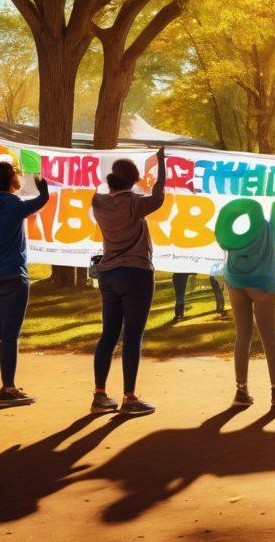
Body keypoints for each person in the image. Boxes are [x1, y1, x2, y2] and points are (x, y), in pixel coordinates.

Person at [90, 148, 165, 416]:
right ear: (134, 180)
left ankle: (99, 395)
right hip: (136, 273)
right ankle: (129, 397)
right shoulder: (135, 203)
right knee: (132, 335)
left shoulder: (98, 202)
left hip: (108, 273)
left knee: (109, 334)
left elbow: (102, 189)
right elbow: (159, 195)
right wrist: (162, 163)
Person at [0, 161, 50, 406]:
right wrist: (42, 184)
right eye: (16, 173)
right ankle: (8, 388)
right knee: (9, 335)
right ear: (9, 177)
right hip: (12, 276)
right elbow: (41, 200)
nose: (18, 177)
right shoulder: (13, 204)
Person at [221, 205, 275, 409]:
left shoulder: (234, 233)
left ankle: (241, 391)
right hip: (263, 283)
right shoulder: (269, 231)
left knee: (242, 335)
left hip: (235, 281)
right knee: (270, 337)